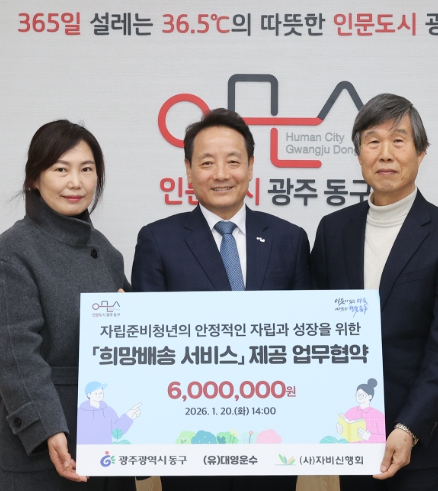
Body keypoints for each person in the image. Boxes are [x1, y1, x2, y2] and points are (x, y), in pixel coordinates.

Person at [132, 108, 309, 491]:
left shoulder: (289, 239)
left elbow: (306, 343)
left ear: (251, 166)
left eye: (233, 161)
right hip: (190, 440)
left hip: (272, 438)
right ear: (188, 169)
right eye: (207, 162)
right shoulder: (158, 240)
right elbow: (147, 349)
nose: (221, 174)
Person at [310, 94, 438, 490]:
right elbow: (315, 324)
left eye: (399, 140)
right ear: (359, 154)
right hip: (355, 435)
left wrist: (409, 427)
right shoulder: (333, 230)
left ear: (420, 152)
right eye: (373, 141)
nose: (385, 153)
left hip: (430, 443)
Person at [0, 120, 135, 491]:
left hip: (105, 437)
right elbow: (15, 354)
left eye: (87, 169)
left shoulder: (106, 251)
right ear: (35, 178)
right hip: (43, 441)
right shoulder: (13, 251)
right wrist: (47, 426)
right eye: (61, 169)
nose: (75, 182)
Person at [77, 382, 142, 444]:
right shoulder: (80, 412)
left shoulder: (109, 411)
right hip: (83, 450)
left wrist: (128, 416)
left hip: (105, 450)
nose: (99, 395)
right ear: (89, 395)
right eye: (96, 393)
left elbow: (116, 431)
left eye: (101, 393)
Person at [337, 378, 386, 444]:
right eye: (358, 394)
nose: (359, 396)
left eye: (362, 395)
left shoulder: (378, 415)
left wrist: (369, 437)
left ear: (370, 396)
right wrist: (341, 430)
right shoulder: (351, 412)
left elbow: (385, 437)